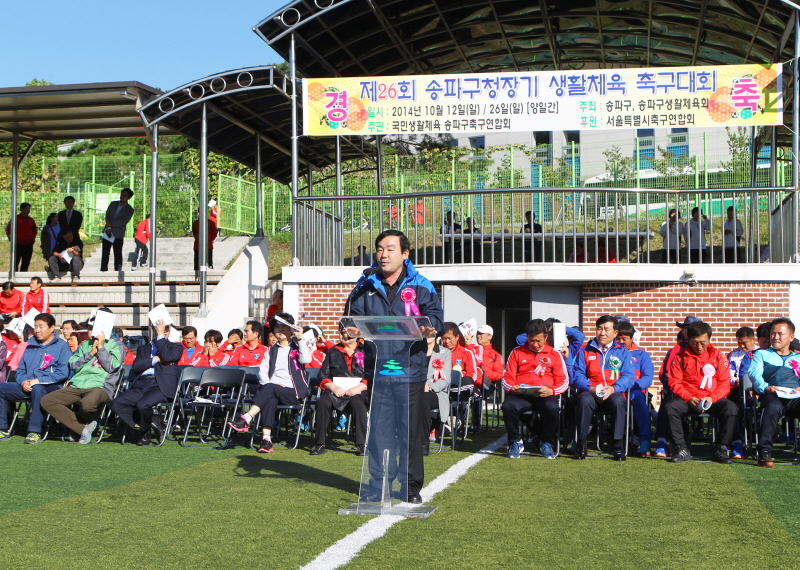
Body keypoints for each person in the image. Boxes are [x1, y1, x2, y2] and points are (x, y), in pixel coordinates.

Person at [346, 229, 444, 505]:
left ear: (405, 253)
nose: (383, 254)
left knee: (409, 431)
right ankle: (378, 483)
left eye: (390, 249)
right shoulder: (365, 284)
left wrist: (428, 326)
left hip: (409, 368)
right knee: (379, 430)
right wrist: (352, 329)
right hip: (379, 367)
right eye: (379, 249)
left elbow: (435, 316)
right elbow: (352, 317)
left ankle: (410, 485)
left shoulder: (421, 284)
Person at [228, 312, 311, 453]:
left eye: (284, 327)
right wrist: (269, 385)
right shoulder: (271, 350)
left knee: (269, 389)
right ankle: (266, 440)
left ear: (291, 329)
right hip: (272, 390)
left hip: (293, 391)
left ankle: (247, 417)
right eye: (277, 327)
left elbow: (306, 360)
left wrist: (301, 339)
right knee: (270, 398)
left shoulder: (298, 346)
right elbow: (262, 372)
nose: (280, 330)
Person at [662, 321, 737, 464]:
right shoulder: (679, 357)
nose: (699, 346)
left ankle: (721, 448)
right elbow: (674, 382)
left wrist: (712, 398)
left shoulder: (719, 356)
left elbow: (724, 383)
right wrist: (688, 397)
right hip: (688, 399)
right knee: (670, 407)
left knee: (731, 408)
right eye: (694, 342)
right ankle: (681, 448)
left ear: (709, 339)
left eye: (703, 342)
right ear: (688, 339)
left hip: (712, 398)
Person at [40, 316, 123, 444]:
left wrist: (101, 349)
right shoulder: (85, 345)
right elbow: (72, 365)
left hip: (100, 385)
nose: (91, 332)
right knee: (47, 401)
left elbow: (113, 367)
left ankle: (78, 426)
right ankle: (82, 429)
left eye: (94, 329)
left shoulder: (115, 344)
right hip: (77, 384)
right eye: (90, 328)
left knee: (87, 404)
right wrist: (90, 354)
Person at [502, 319, 569, 459]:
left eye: (539, 340)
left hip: (546, 395)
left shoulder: (554, 354)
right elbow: (507, 377)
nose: (535, 344)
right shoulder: (516, 352)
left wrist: (553, 391)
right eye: (532, 340)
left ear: (546, 337)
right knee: (508, 405)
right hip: (522, 395)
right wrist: (512, 388)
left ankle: (546, 442)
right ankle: (515, 441)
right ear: (527, 337)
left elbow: (563, 380)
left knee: (552, 407)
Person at [0, 313, 71, 444]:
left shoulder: (62, 346)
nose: (37, 330)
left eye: (41, 326)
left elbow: (62, 373)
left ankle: (34, 431)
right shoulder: (30, 345)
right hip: (28, 385)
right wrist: (22, 382)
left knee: (38, 388)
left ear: (51, 328)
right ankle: (2, 429)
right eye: (35, 326)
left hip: (52, 387)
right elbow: (20, 370)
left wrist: (38, 381)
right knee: (1, 388)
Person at [109, 320, 182, 445]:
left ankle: (144, 433)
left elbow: (168, 357)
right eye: (159, 330)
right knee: (116, 403)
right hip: (141, 383)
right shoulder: (143, 348)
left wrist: (160, 337)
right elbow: (137, 367)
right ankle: (150, 422)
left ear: (168, 332)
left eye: (164, 330)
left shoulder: (175, 346)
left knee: (143, 405)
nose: (162, 332)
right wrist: (155, 359)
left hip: (160, 385)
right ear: (153, 330)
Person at [572, 315, 634, 461]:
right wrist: (591, 388)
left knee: (619, 401)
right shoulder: (585, 351)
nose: (602, 333)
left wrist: (614, 388)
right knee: (583, 401)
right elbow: (577, 376)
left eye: (606, 329)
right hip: (591, 391)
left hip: (613, 391)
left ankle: (618, 446)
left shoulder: (623, 352)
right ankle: (581, 444)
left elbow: (629, 376)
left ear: (615, 333)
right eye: (599, 329)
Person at [310, 325, 370, 456]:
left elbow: (372, 374)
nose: (345, 336)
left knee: (358, 404)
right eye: (342, 333)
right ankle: (319, 444)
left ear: (357, 335)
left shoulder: (366, 351)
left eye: (349, 333)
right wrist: (333, 387)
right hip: (335, 391)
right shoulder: (333, 351)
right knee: (323, 403)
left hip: (357, 392)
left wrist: (359, 388)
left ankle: (361, 444)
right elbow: (323, 374)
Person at [750, 318, 800, 468]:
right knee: (771, 408)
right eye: (773, 333)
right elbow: (754, 375)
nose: (775, 337)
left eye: (780, 334)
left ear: (791, 337)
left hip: (795, 397)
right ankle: (764, 452)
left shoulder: (798, 357)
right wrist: (766, 388)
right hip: (773, 395)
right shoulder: (762, 355)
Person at [653, 315, 702, 458]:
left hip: (700, 393)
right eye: (685, 328)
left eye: (690, 329)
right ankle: (662, 440)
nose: (686, 332)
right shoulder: (675, 350)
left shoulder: (707, 350)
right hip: (677, 391)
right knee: (667, 402)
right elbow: (665, 375)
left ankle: (698, 431)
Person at [616, 320, 654, 456]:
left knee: (638, 398)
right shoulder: (612, 353)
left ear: (632, 339)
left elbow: (648, 377)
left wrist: (630, 386)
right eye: (618, 338)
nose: (620, 341)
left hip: (634, 390)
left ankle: (645, 440)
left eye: (624, 339)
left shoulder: (642, 355)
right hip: (615, 391)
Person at [727, 326, 757, 459]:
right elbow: (729, 374)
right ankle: (738, 439)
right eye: (739, 342)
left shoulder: (760, 352)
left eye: (744, 342)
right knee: (735, 408)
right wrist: (736, 381)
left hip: (757, 390)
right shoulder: (734, 355)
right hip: (738, 390)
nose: (742, 345)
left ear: (753, 339)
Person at [423, 334, 452, 450]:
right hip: (415, 389)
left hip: (435, 392)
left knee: (423, 400)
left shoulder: (444, 352)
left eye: (430, 333)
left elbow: (445, 380)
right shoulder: (414, 351)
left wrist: (429, 387)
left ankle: (423, 442)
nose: (427, 336)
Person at [100, 188, 134, 272]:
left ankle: (118, 271)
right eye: (122, 194)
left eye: (125, 195)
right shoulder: (113, 204)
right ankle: (103, 270)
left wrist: (112, 224)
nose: (122, 197)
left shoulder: (129, 209)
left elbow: (124, 221)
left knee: (117, 254)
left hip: (118, 234)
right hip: (107, 231)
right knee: (105, 253)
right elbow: (107, 215)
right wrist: (108, 226)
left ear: (129, 198)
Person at [6, 202, 37, 272]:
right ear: (22, 209)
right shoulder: (16, 218)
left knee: (26, 262)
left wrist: (32, 238)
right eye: (27, 208)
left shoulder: (31, 220)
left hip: (28, 244)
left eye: (29, 209)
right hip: (18, 243)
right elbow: (8, 228)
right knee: (15, 261)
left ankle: (23, 275)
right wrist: (10, 237)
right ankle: (14, 275)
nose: (28, 210)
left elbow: (34, 230)